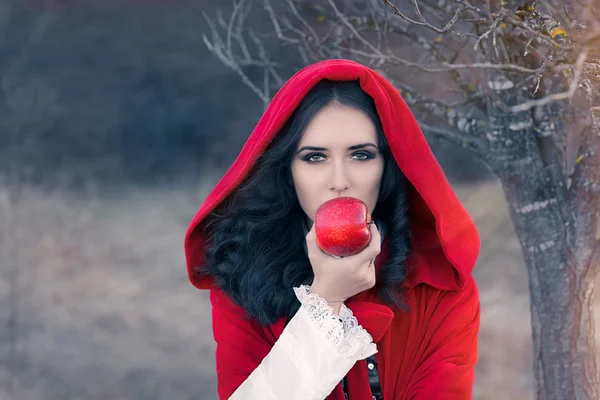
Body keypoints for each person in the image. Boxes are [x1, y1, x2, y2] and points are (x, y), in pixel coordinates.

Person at [184, 59, 481, 399]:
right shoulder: (241, 278)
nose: (340, 182)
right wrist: (325, 300)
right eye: (315, 157)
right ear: (287, 170)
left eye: (361, 155)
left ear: (387, 166)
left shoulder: (439, 286)